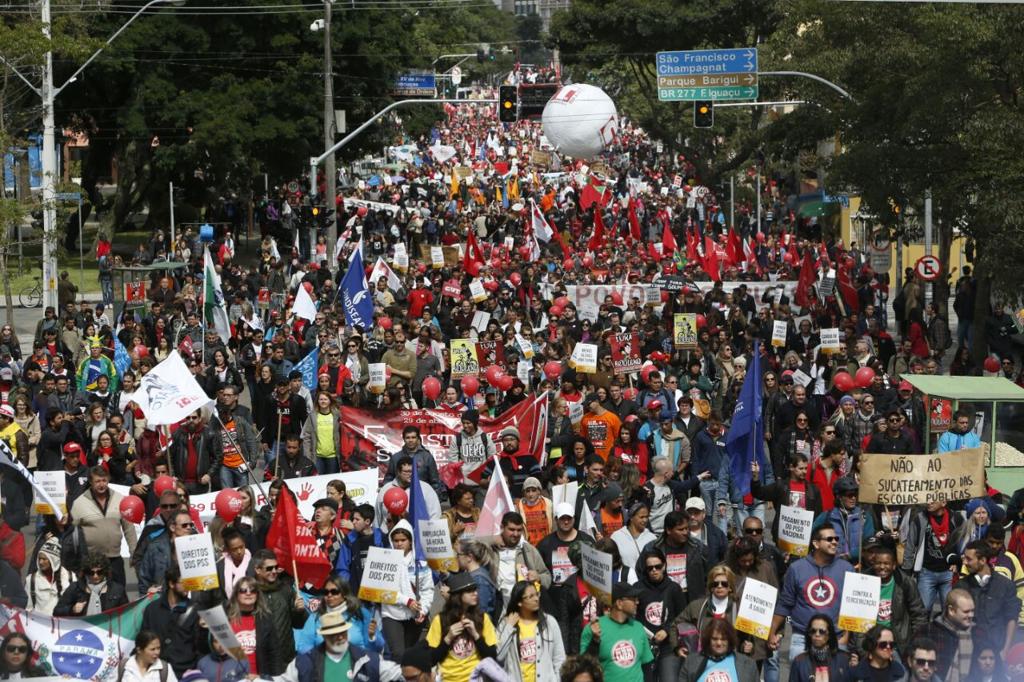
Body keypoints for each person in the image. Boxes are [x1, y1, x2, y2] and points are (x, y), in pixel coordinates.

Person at [770, 524, 855, 663]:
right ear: (815, 543)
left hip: (836, 638)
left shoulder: (847, 569)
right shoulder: (796, 568)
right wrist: (772, 631)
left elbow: (852, 607)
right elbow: (785, 603)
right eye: (829, 539)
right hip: (802, 638)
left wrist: (846, 636)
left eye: (836, 538)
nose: (834, 542)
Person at [262, 609, 402, 682]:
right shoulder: (304, 664)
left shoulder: (367, 660)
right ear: (324, 636)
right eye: (333, 634)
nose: (340, 637)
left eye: (342, 632)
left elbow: (401, 674)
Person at [70, 466, 137, 587]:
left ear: (108, 479)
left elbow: (129, 529)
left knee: (119, 595)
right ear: (90, 482)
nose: (101, 484)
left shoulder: (120, 499)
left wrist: (134, 553)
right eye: (97, 481)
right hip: (91, 562)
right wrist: (75, 560)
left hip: (115, 559)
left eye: (104, 480)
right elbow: (72, 535)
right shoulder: (79, 503)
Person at [425, 571, 498, 682]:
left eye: (475, 589)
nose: (475, 594)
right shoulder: (440, 620)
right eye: (469, 591)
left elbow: (492, 656)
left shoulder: (483, 618)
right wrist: (448, 638)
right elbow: (430, 659)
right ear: (458, 596)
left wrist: (476, 635)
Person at [580, 582, 653, 682]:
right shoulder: (594, 627)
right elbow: (584, 668)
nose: (637, 602)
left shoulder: (638, 627)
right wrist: (595, 641)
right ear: (619, 603)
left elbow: (646, 666)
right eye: (633, 598)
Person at [140, 566, 205, 678]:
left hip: (185, 672)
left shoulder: (195, 610)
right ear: (171, 584)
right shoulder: (152, 609)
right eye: (184, 582)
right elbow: (143, 641)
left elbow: (200, 646)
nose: (188, 586)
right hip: (157, 672)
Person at [496, 579, 567, 682]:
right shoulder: (506, 623)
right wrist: (509, 627)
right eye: (530, 596)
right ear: (519, 602)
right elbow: (498, 656)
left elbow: (559, 658)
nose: (536, 599)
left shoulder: (549, 623)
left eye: (537, 594)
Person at [381, 519, 433, 659]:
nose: (399, 544)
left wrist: (423, 610)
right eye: (396, 540)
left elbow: (427, 590)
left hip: (414, 616)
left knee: (411, 655)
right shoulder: (384, 560)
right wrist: (406, 601)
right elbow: (383, 590)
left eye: (403, 540)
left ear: (410, 541)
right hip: (391, 614)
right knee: (398, 654)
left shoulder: (421, 564)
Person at [960, 539, 1020, 657]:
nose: (965, 563)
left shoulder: (1006, 586)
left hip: (997, 651)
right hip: (971, 652)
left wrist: (1005, 651)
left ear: (982, 560)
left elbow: (1012, 619)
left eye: (969, 559)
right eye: (964, 558)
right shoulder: (961, 586)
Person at [251, 549, 307, 674]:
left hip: (285, 659)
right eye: (269, 568)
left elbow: (299, 624)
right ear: (257, 570)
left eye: (276, 567)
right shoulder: (249, 592)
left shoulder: (285, 589)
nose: (274, 571)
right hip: (261, 660)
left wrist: (299, 611)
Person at [634, 547, 686, 680]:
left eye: (657, 566)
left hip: (668, 646)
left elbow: (682, 617)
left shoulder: (674, 588)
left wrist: (667, 630)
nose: (654, 571)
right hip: (644, 645)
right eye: (649, 568)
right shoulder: (637, 588)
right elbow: (632, 616)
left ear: (664, 566)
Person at [903, 500, 961, 613]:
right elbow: (910, 546)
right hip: (926, 573)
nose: (929, 502)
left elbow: (963, 543)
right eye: (927, 498)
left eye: (933, 499)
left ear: (944, 502)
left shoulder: (955, 518)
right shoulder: (920, 518)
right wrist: (906, 572)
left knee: (949, 612)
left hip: (949, 573)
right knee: (922, 611)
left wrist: (959, 563)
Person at [484, 512, 552, 604]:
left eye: (519, 530)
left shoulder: (529, 550)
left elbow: (547, 577)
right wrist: (491, 539)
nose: (515, 534)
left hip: (523, 604)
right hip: (497, 603)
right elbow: (465, 545)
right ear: (502, 527)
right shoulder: (491, 548)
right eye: (511, 529)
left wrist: (538, 577)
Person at [914, 589, 976, 681]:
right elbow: (911, 660)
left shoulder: (978, 633)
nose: (971, 615)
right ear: (951, 610)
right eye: (966, 612)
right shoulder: (928, 631)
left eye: (972, 611)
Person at [812, 476, 875, 567]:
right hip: (832, 566)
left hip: (858, 566)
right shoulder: (827, 516)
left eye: (855, 495)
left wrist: (849, 556)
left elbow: (869, 545)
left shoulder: (864, 516)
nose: (853, 498)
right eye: (849, 495)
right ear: (839, 497)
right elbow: (813, 538)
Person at [678, 619, 759, 682]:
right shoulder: (691, 662)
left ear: (729, 640)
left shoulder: (748, 664)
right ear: (708, 639)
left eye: (723, 639)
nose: (719, 643)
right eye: (715, 639)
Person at [53, 551, 129, 615]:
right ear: (85, 572)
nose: (95, 576)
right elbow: (57, 611)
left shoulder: (117, 589)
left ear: (105, 571)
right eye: (91, 572)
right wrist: (72, 609)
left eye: (99, 572)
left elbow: (127, 613)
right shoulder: (75, 588)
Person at [786, 614, 853, 682]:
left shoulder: (844, 659)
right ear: (809, 634)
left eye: (822, 631)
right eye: (813, 631)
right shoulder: (799, 661)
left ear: (829, 634)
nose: (817, 634)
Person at [24, 536, 71, 615]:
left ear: (54, 560)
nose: (41, 562)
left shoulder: (70, 577)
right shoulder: (31, 580)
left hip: (63, 625)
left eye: (44, 559)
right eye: (39, 559)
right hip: (40, 625)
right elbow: (28, 609)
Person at [611, 503, 655, 585]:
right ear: (631, 518)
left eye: (647, 517)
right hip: (625, 583)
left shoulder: (652, 538)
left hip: (647, 584)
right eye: (641, 517)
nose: (645, 520)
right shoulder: (616, 536)